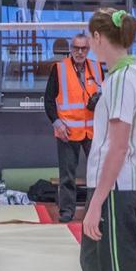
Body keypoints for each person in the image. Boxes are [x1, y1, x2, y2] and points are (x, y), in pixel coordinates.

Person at [80, 8, 136, 271]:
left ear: (97, 38)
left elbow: (119, 146)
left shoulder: (124, 79)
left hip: (117, 185)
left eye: (89, 39)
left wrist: (96, 203)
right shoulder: (116, 78)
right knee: (92, 261)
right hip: (108, 183)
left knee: (118, 265)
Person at [44, 33, 103, 223]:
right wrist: (57, 123)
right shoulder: (59, 69)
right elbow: (48, 101)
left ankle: (94, 210)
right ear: (71, 49)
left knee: (96, 173)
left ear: (88, 49)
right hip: (67, 132)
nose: (79, 52)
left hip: (93, 131)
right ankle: (66, 211)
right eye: (76, 48)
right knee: (67, 175)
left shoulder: (97, 68)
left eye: (83, 48)